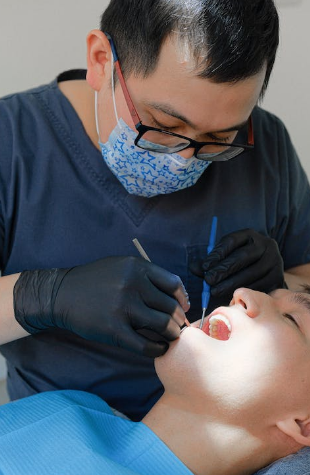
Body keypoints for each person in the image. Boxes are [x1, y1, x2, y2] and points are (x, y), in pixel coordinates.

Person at [0, 0, 310, 424]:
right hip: (66, 435)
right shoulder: (11, 144)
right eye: (163, 126)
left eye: (219, 138)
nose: (185, 158)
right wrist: (43, 296)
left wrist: (282, 286)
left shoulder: (266, 142)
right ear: (101, 61)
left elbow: (304, 279)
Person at [1, 287, 310, 475]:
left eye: (291, 319)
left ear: (304, 424)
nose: (243, 293)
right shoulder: (66, 408)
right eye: (271, 296)